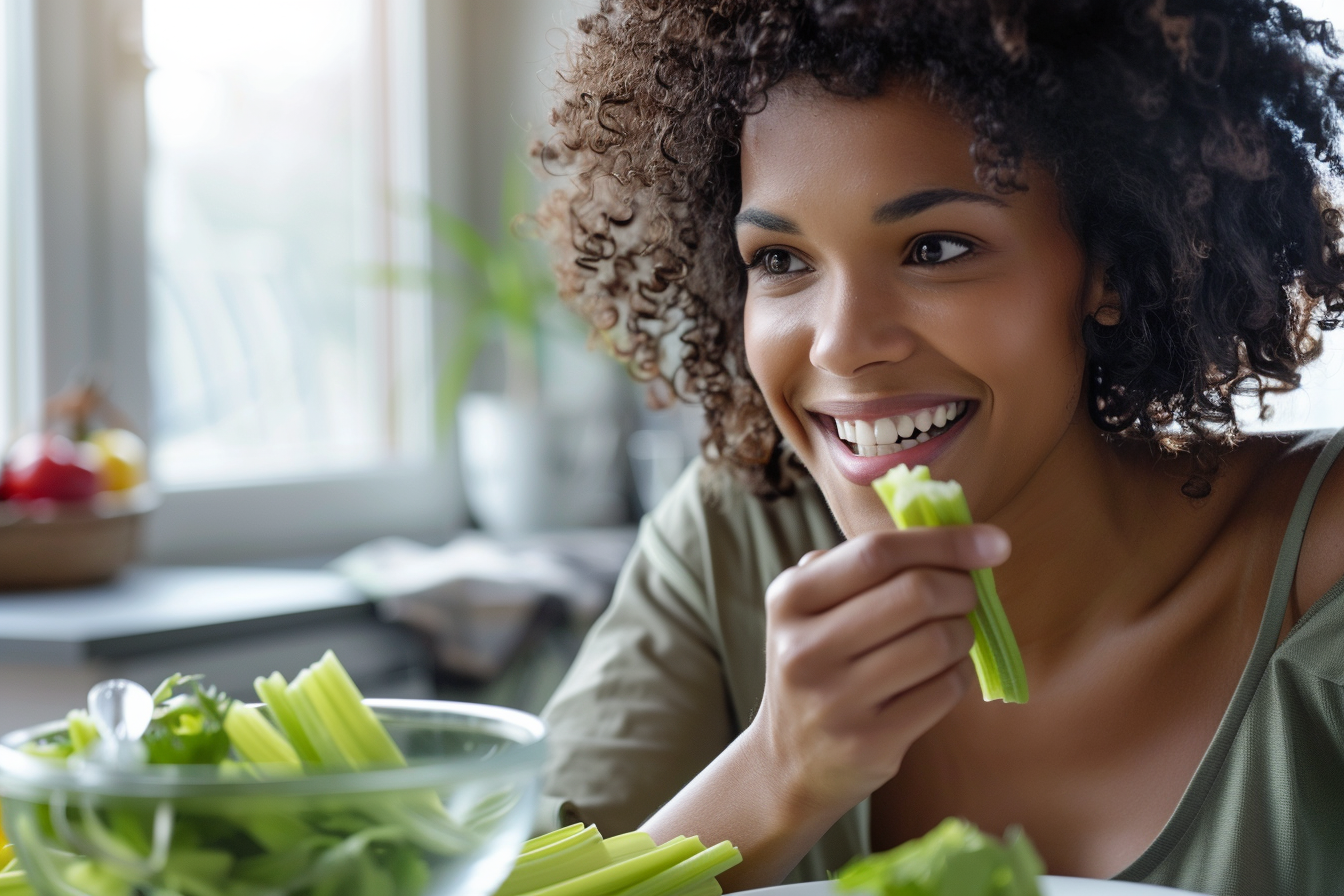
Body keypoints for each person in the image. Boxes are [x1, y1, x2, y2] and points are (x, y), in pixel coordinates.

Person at [530, 2, 1344, 893]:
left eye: (936, 248)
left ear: (1109, 264)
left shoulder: (1322, 565)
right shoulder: (734, 536)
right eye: (780, 260)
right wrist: (775, 773)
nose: (840, 344)